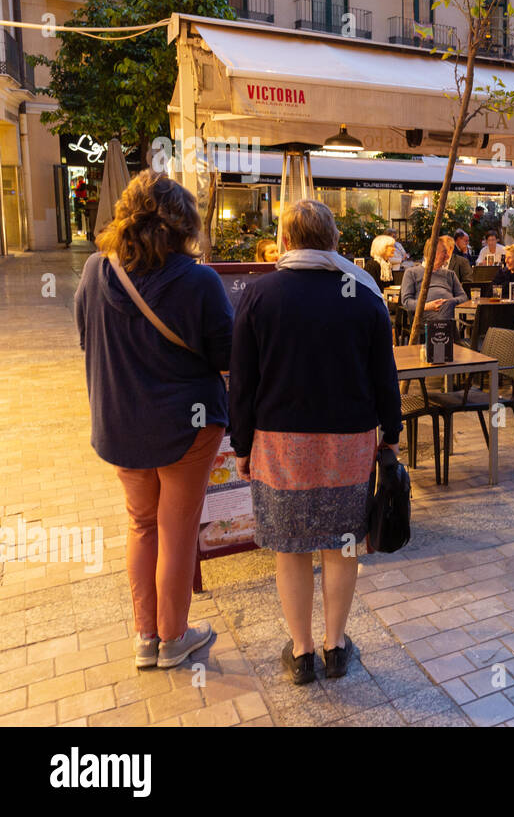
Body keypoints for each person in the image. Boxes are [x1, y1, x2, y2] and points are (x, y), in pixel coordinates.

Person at [229, 199, 401, 685]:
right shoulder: (363, 295)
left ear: (284, 241)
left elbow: (242, 382)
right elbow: (384, 377)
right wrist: (391, 433)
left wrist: (241, 446)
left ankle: (301, 651)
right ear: (334, 243)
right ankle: (335, 646)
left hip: (279, 444)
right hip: (348, 443)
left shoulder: (260, 296)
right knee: (342, 544)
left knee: (291, 548)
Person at [75, 170, 231, 671]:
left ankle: (146, 638)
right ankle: (174, 637)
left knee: (142, 524)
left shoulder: (95, 271)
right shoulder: (200, 280)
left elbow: (85, 336)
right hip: (188, 425)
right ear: (182, 223)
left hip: (121, 423)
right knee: (177, 528)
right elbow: (228, 355)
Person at [402, 235, 468, 320]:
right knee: (449, 321)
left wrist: (450, 302)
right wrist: (427, 306)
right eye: (444, 252)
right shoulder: (411, 273)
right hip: (426, 315)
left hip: (450, 311)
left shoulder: (450, 274)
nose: (447, 256)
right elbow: (406, 302)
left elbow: (463, 297)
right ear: (433, 253)